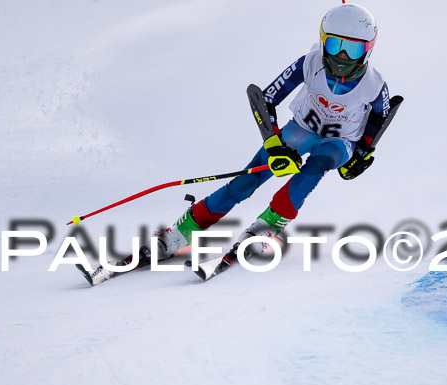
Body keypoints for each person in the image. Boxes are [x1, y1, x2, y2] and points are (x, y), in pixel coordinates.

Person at [154, 3, 392, 260]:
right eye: (336, 45)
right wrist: (274, 143)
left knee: (316, 167)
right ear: (323, 42)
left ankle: (267, 227)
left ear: (367, 50)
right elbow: (266, 99)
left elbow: (380, 117)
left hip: (340, 142)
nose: (343, 56)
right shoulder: (309, 63)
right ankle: (182, 231)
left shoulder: (374, 85)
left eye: (353, 48)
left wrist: (362, 154)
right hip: (301, 129)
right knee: (247, 180)